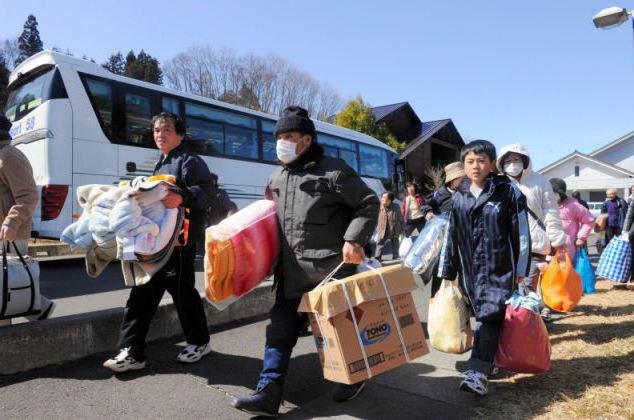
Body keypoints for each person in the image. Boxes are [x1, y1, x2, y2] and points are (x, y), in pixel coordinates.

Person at [231, 106, 379, 417]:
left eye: (289, 136)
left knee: (337, 332)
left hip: (330, 268)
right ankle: (268, 393)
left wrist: (354, 239)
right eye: (279, 136)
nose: (281, 142)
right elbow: (267, 217)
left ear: (307, 140)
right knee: (279, 331)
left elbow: (368, 203)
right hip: (291, 271)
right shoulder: (276, 176)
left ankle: (355, 377)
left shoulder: (333, 170)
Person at [103, 112, 215, 372]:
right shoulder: (161, 163)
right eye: (155, 131)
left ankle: (195, 342)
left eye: (166, 129)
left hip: (178, 244)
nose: (159, 135)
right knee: (145, 293)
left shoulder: (190, 161)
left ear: (180, 134)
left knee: (181, 295)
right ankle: (133, 351)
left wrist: (184, 197)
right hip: (156, 243)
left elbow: (206, 193)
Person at [438, 140, 531, 396]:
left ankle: (477, 373)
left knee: (489, 316)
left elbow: (521, 232)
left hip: (500, 268)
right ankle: (492, 361)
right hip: (470, 270)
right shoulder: (460, 195)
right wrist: (448, 271)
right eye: (470, 161)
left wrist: (521, 267)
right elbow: (452, 235)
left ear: (492, 164)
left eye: (481, 161)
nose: (475, 166)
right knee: (484, 316)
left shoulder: (507, 192)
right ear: (463, 165)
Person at [0, 112, 55, 327]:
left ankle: (37, 309)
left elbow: (29, 194)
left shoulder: (9, 156)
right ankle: (39, 308)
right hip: (5, 231)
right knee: (7, 284)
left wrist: (12, 222)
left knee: (7, 285)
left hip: (10, 233)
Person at [497, 144, 567, 296]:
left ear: (524, 160)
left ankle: (530, 317)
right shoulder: (498, 183)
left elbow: (551, 212)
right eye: (508, 161)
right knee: (507, 290)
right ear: (501, 163)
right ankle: (514, 318)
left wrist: (557, 240)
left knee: (527, 288)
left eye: (516, 159)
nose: (512, 164)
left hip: (534, 244)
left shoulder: (540, 181)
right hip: (506, 246)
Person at [422, 161, 465, 298]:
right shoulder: (440, 193)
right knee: (440, 271)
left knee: (464, 273)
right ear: (453, 179)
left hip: (463, 239)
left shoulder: (467, 193)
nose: (465, 181)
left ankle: (462, 308)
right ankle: (435, 302)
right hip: (444, 239)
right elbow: (425, 203)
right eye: (462, 178)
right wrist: (428, 212)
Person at [375, 192, 403, 260]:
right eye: (382, 197)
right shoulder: (378, 206)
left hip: (394, 228)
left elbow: (400, 218)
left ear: (390, 200)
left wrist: (402, 229)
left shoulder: (396, 206)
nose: (382, 199)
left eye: (385, 198)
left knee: (395, 243)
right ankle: (377, 258)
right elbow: (374, 217)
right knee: (380, 244)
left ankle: (396, 257)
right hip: (382, 229)